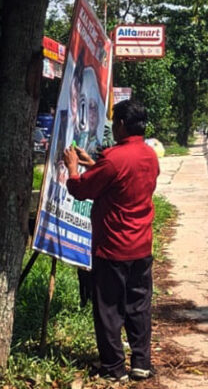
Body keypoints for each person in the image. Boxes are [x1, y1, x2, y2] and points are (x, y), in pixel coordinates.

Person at [63, 100, 159, 383]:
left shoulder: (114, 158)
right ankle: (141, 363)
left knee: (108, 310)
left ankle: (114, 368)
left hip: (112, 246)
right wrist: (94, 164)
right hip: (141, 245)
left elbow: (81, 189)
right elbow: (121, 184)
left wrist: (72, 168)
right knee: (139, 306)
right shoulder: (149, 156)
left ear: (119, 125)